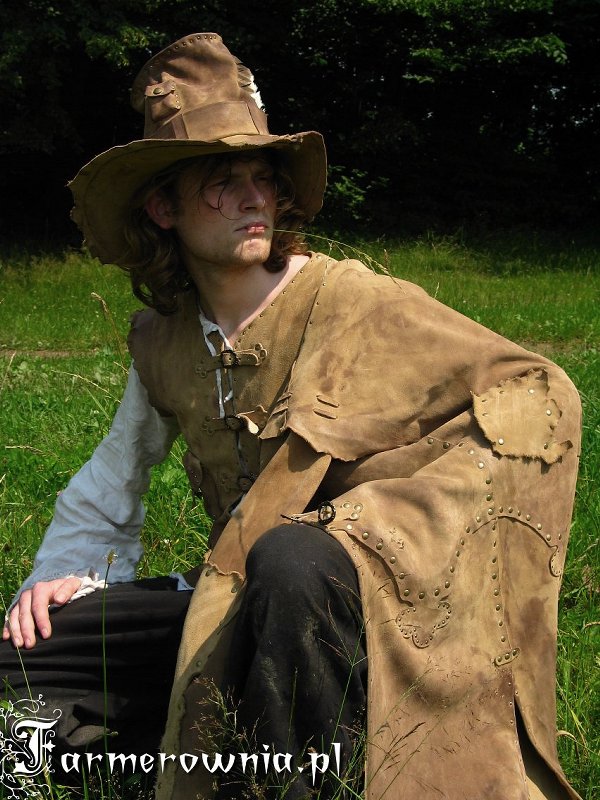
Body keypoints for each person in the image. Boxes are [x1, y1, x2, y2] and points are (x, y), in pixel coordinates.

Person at [1, 32, 583, 800]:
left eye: (263, 179)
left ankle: (295, 784)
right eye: (222, 181)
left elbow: (540, 391)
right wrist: (57, 584)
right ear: (162, 208)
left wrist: (376, 523)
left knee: (290, 562)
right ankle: (126, 757)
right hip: (241, 590)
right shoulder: (166, 341)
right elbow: (114, 477)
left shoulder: (355, 300)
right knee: (32, 651)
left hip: (366, 600)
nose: (254, 199)